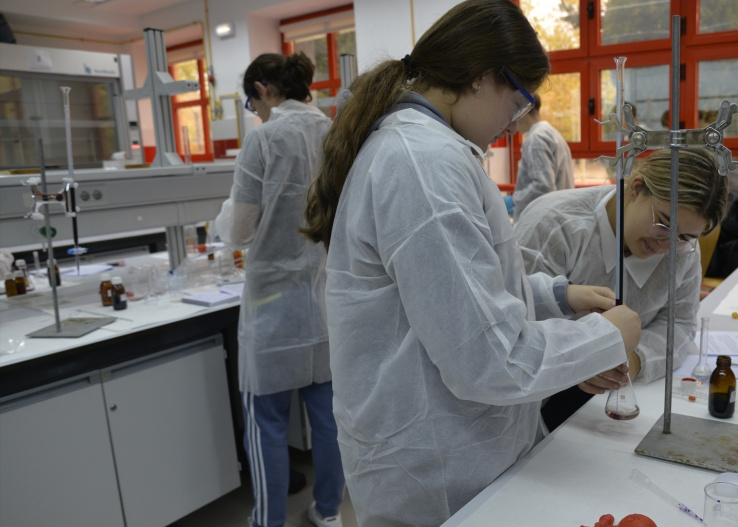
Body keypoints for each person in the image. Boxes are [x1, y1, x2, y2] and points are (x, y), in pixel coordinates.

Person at [301, 1, 641, 525]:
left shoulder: (432, 150)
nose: (514, 122)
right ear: (483, 77)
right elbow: (488, 360)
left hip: (459, 448)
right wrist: (603, 336)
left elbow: (462, 287)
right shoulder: (422, 163)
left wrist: (555, 296)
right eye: (520, 99)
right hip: (434, 471)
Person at [211, 52, 345, 527]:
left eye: (252, 103)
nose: (256, 112)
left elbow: (240, 228)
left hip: (272, 307)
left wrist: (221, 221)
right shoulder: (335, 134)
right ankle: (329, 512)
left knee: (266, 422)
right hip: (326, 302)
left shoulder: (264, 138)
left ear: (264, 90)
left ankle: (268, 522)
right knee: (329, 420)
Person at [513, 149, 730, 431]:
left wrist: (633, 359)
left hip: (606, 404)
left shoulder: (683, 250)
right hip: (532, 404)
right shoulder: (555, 223)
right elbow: (515, 326)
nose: (667, 245)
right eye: (663, 225)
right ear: (636, 188)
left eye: (685, 237)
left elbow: (679, 323)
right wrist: (582, 355)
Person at [505, 92, 574, 220]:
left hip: (545, 220)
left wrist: (515, 200)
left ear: (523, 111)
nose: (511, 123)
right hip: (559, 216)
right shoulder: (551, 133)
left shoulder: (536, 139)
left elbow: (543, 186)